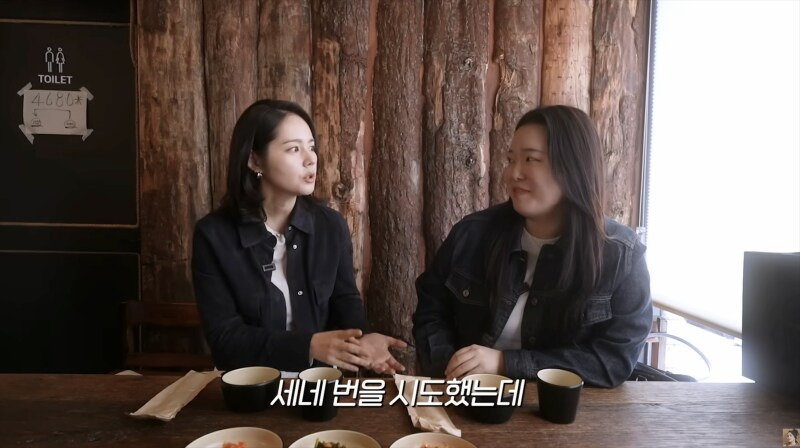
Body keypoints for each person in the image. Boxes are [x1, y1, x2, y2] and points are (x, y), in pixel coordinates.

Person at [412, 105, 653, 388]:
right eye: (510, 159)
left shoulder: (622, 256)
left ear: (573, 168)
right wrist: (451, 368)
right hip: (467, 397)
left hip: (565, 408)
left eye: (531, 159)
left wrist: (505, 363)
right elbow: (431, 311)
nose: (513, 173)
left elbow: (613, 361)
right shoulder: (472, 234)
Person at [192, 99, 405, 374]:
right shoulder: (213, 236)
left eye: (311, 147)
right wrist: (308, 346)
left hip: (320, 383)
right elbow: (225, 340)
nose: (311, 159)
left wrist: (364, 340)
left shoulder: (331, 226)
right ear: (255, 160)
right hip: (249, 384)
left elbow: (345, 302)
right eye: (294, 149)